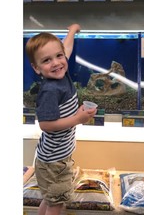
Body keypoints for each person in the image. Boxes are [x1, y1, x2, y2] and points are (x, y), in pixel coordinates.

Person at [25, 23, 97, 215]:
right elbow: (46, 124)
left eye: (58, 56)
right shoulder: (50, 90)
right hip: (54, 162)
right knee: (56, 204)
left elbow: (66, 48)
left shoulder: (61, 74)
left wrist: (72, 30)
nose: (56, 62)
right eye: (47, 60)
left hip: (54, 157)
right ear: (37, 68)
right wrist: (77, 119)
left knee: (50, 200)